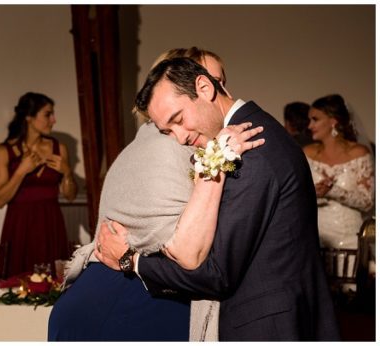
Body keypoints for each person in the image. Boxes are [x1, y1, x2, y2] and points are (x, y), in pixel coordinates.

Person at [97, 57, 339, 340]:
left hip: (268, 328)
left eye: (179, 119)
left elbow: (216, 274)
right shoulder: (252, 132)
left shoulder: (252, 152)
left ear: (204, 88)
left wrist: (131, 260)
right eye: (167, 131)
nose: (180, 138)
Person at [50, 47, 260, 341]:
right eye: (210, 80)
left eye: (222, 81)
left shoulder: (161, 140)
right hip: (126, 307)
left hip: (125, 299)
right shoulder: (169, 147)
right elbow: (192, 255)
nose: (218, 92)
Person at [0, 92, 77, 279]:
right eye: (47, 114)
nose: (53, 120)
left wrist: (67, 172)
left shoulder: (59, 148)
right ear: (29, 117)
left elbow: (70, 196)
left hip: (50, 224)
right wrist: (21, 171)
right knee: (16, 285)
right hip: (19, 226)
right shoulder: (4, 152)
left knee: (53, 284)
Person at [304, 94, 374, 250]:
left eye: (315, 119)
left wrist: (332, 191)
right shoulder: (307, 153)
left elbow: (367, 202)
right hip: (315, 237)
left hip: (349, 239)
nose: (309, 126)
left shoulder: (359, 153)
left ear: (333, 121)